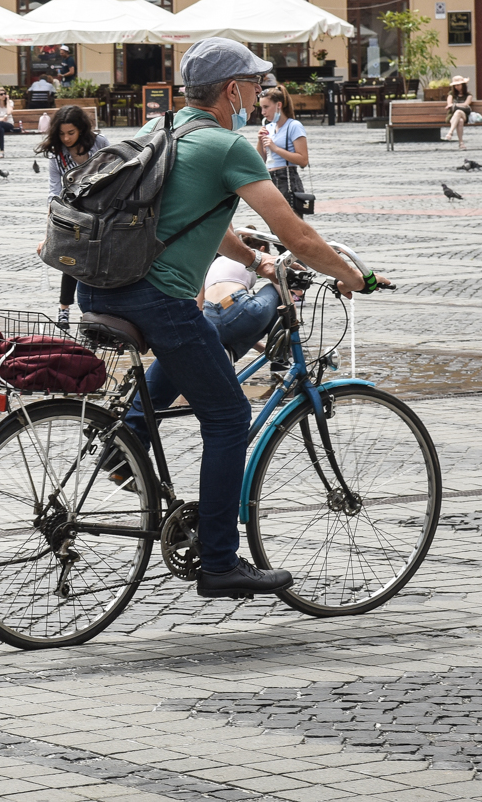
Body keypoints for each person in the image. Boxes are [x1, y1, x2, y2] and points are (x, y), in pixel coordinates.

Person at [72, 37, 388, 601]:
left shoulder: (161, 130)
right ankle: (218, 560)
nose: (258, 95)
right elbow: (297, 232)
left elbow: (196, 215)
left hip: (99, 289)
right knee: (227, 416)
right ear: (231, 90)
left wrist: (256, 261)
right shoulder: (225, 145)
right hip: (155, 297)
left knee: (205, 335)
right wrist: (350, 275)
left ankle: (127, 443)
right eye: (254, 85)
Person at [40, 103, 110, 327]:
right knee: (71, 260)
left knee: (101, 260)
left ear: (81, 129)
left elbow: (116, 172)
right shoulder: (56, 156)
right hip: (74, 211)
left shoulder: (100, 143)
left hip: (103, 208)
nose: (67, 138)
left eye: (71, 133)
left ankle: (98, 311)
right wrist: (49, 233)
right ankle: (64, 310)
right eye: (61, 134)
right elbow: (53, 193)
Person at [256, 86, 309, 215]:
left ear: (278, 105)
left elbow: (303, 160)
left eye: (266, 107)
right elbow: (260, 160)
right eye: (261, 107)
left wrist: (275, 148)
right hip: (270, 179)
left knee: (291, 226)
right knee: (274, 226)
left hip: (287, 179)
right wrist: (259, 140)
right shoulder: (269, 127)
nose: (263, 112)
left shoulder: (294, 126)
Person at [443, 75, 479, 147]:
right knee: (460, 121)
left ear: (463, 85)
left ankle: (450, 132)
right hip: (452, 116)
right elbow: (449, 103)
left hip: (464, 114)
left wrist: (455, 105)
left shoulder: (468, 95)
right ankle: (461, 143)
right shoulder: (451, 94)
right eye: (455, 85)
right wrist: (456, 105)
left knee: (459, 112)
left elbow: (466, 104)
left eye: (458, 85)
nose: (456, 87)